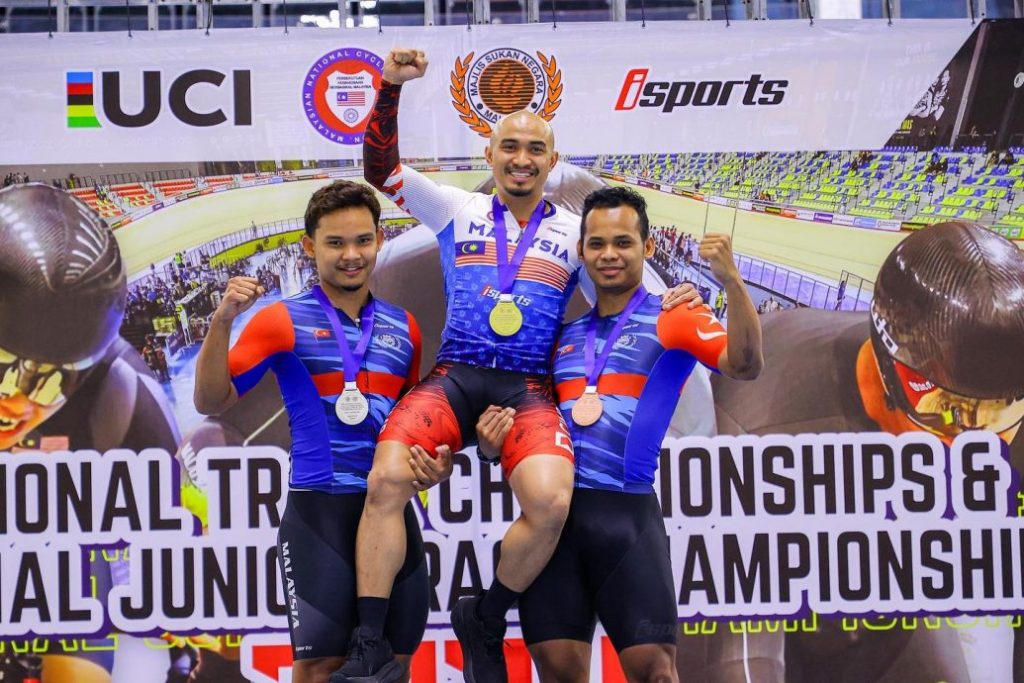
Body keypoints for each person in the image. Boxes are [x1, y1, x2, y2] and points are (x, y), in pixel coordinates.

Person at [341, 47, 698, 682]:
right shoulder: (455, 208)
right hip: (455, 376)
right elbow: (381, 169)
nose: (522, 158)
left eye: (536, 149)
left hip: (528, 389)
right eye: (510, 146)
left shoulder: (576, 233)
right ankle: (368, 645)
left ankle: (486, 616)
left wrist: (677, 299)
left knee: (551, 502)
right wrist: (390, 85)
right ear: (490, 154)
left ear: (552, 162)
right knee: (386, 480)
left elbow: (621, 295)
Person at [705, 220, 1024, 683]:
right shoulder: (762, 435)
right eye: (945, 409)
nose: (973, 442)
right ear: (887, 371)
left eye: (999, 412)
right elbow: (739, 652)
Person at [476, 186, 763, 682]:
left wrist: (732, 281)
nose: (609, 254)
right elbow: (527, 422)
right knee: (558, 673)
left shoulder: (675, 315)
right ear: (582, 250)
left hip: (627, 520)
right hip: (554, 527)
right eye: (598, 243)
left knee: (655, 673)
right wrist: (488, 447)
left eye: (623, 242)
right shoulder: (562, 337)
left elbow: (745, 364)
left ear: (647, 247)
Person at [193, 180, 445, 683]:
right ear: (309, 246)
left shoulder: (405, 327)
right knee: (319, 668)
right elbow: (210, 401)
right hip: (319, 513)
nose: (351, 255)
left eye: (363, 240)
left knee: (395, 664)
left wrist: (433, 465)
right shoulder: (279, 321)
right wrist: (222, 321)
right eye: (335, 243)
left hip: (392, 511)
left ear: (379, 239)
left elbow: (412, 423)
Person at [0, 184, 184, 683]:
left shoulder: (126, 399)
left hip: (63, 557)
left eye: (49, 380)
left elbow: (164, 569)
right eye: (2, 367)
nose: (16, 401)